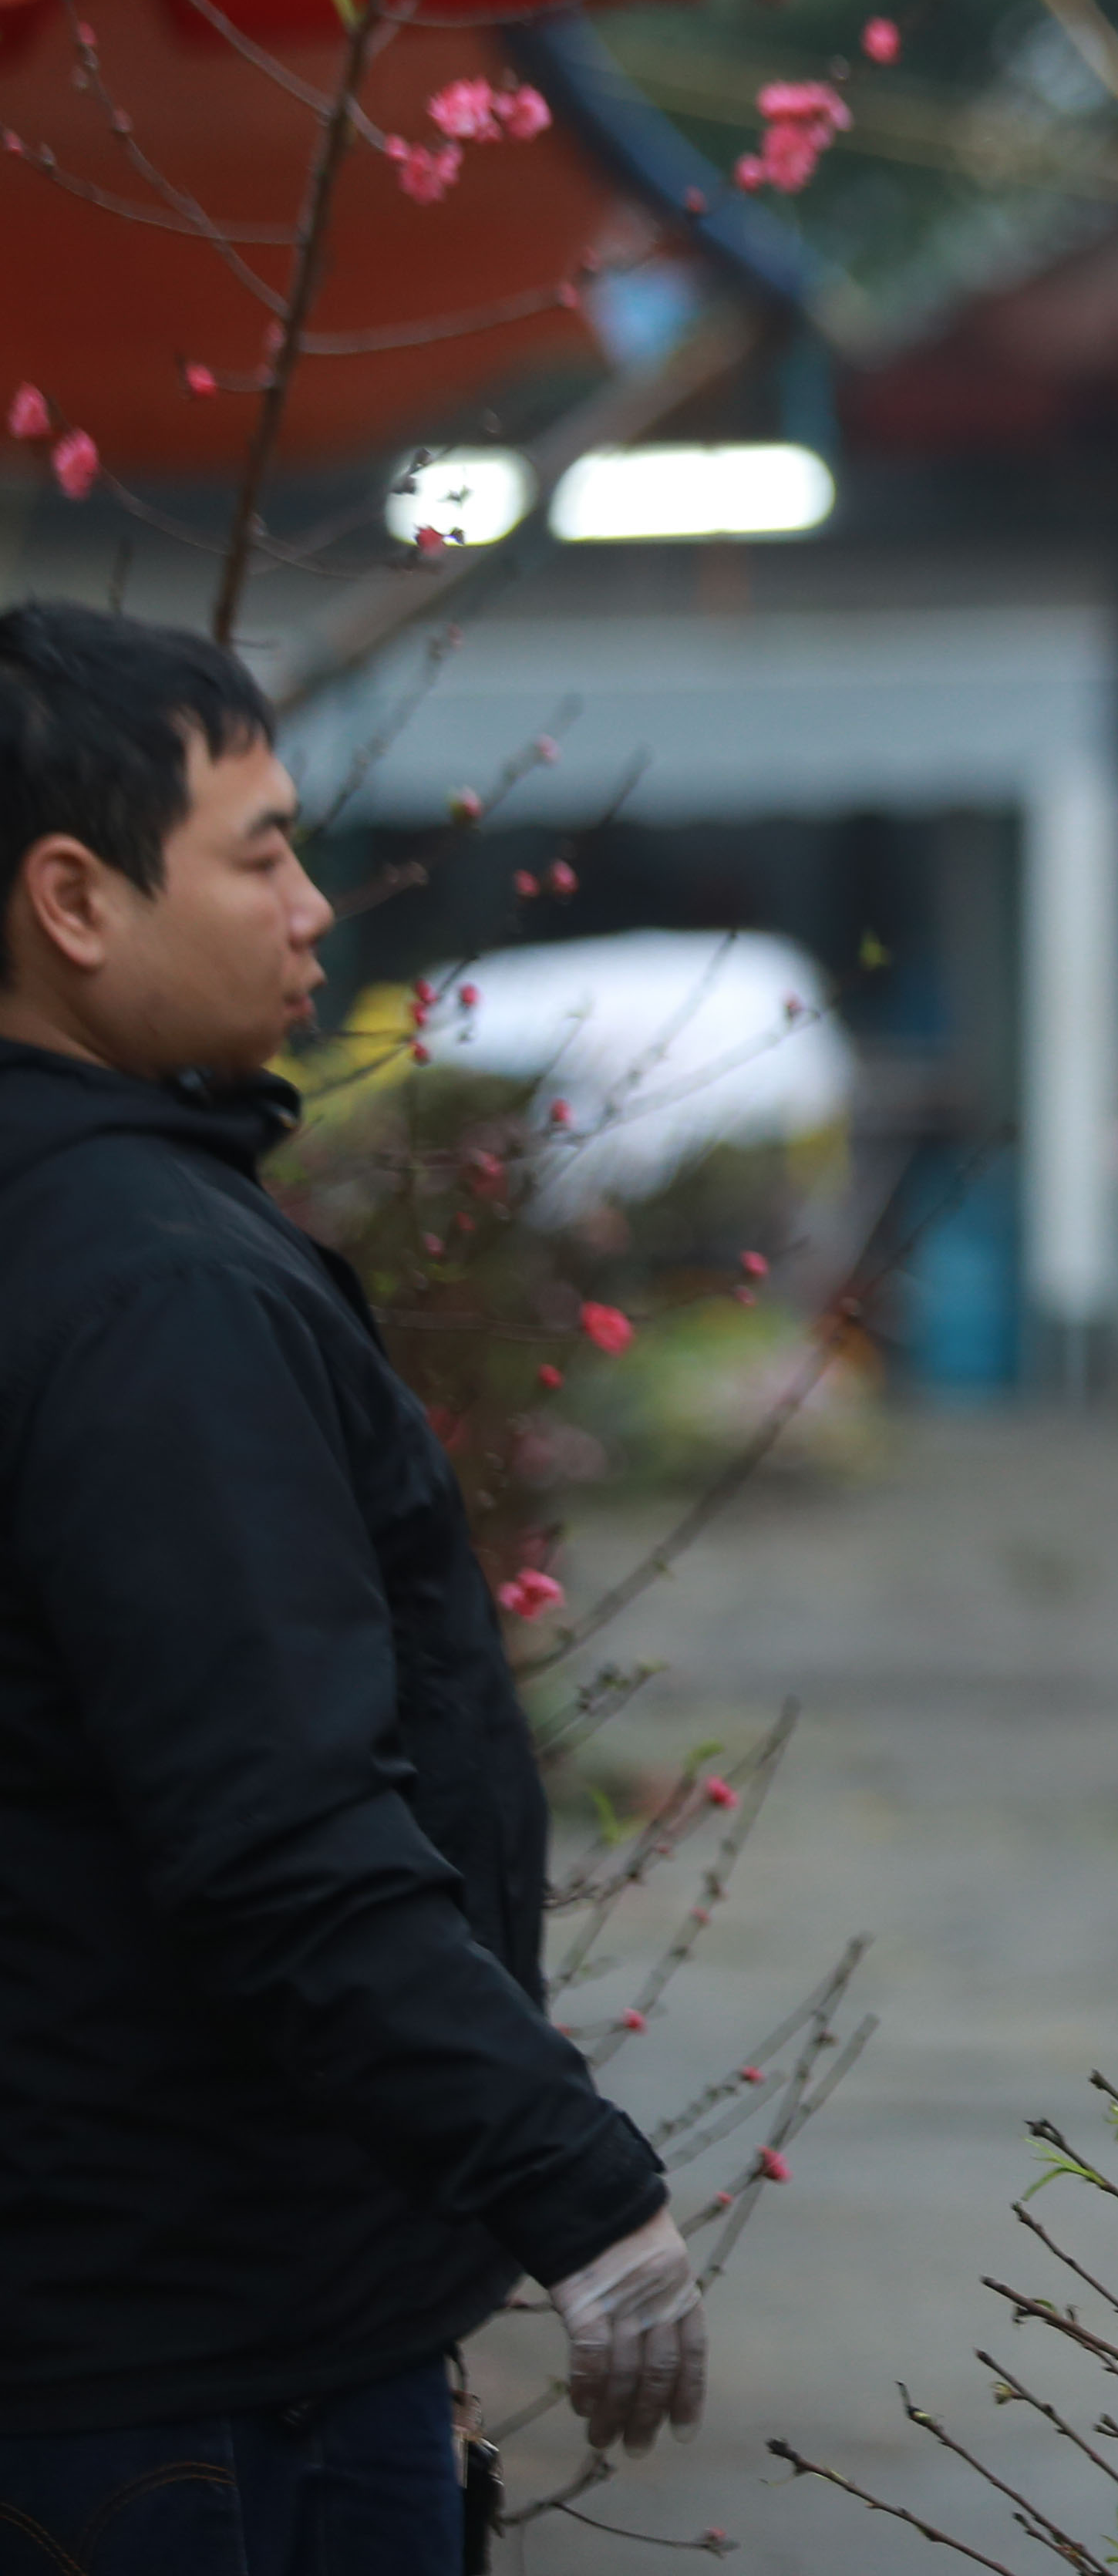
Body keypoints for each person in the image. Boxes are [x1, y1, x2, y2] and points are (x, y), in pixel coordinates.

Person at [0, 605, 704, 2570]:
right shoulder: (154, 1293)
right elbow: (278, 1830)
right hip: (200, 2376)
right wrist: (575, 2190)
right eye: (259, 851)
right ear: (72, 897)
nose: (315, 905)